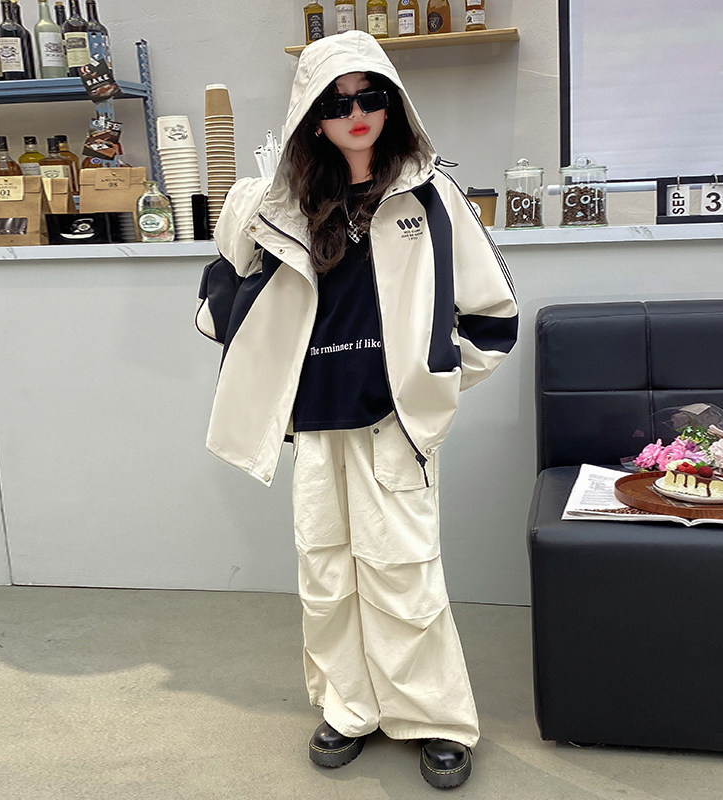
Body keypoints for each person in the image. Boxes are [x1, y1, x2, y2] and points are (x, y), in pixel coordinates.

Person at [196, 30, 517, 790]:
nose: (357, 113)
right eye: (337, 102)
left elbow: (492, 317)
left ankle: (434, 719)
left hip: (389, 423)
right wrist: (241, 231)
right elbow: (218, 310)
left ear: (393, 101)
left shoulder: (431, 197)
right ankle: (349, 708)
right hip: (316, 421)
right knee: (326, 573)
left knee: (405, 573)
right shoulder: (280, 205)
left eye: (371, 95)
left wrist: (430, 382)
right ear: (312, 116)